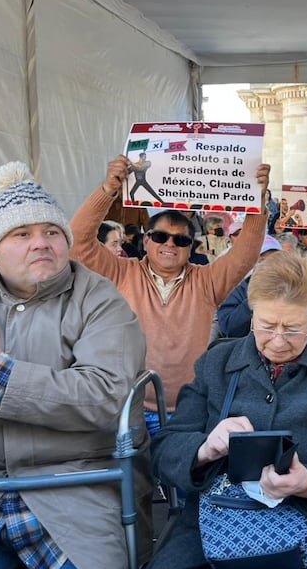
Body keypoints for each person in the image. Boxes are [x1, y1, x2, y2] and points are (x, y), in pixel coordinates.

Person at [0, 162, 148, 569]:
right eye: (22, 234)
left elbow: (108, 396)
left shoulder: (99, 299)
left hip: (73, 492)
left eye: (51, 232)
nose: (41, 243)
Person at [142, 250, 307, 569]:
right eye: (267, 325)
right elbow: (165, 451)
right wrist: (204, 449)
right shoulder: (217, 363)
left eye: (293, 328)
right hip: (215, 520)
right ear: (252, 315)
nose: (278, 341)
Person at [69, 156, 268, 432]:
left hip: (189, 413)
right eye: (161, 237)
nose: (170, 244)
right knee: (133, 478)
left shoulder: (207, 281)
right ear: (147, 239)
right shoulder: (121, 272)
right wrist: (106, 191)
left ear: (190, 247)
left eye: (181, 239)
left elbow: (245, 255)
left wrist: (256, 202)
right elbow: (77, 242)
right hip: (129, 410)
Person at [216, 235, 283, 338]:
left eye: (274, 260)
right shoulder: (239, 291)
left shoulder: (292, 289)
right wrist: (253, 300)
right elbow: (229, 328)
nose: (268, 265)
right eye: (261, 260)